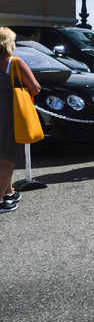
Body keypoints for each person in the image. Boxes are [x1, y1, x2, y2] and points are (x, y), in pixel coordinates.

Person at [0, 27, 41, 213]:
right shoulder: (15, 62)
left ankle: (8, 191)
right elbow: (35, 88)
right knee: (8, 159)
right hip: (9, 115)